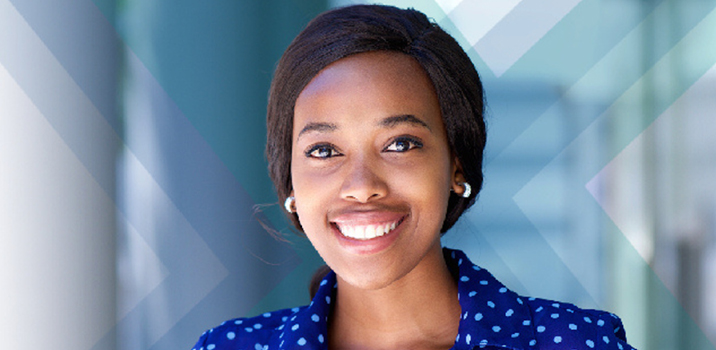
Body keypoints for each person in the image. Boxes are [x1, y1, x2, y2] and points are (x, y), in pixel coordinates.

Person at [192, 4, 636, 350]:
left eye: (400, 144)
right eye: (324, 151)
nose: (362, 184)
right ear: (290, 184)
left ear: (456, 164)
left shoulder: (579, 342)